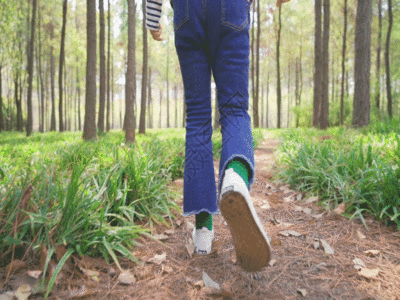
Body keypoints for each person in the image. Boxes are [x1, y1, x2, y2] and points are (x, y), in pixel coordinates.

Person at [146, 0, 290, 272]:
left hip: (187, 12)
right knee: (234, 109)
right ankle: (234, 177)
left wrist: (153, 20)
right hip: (230, 7)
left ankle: (203, 233)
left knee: (198, 118)